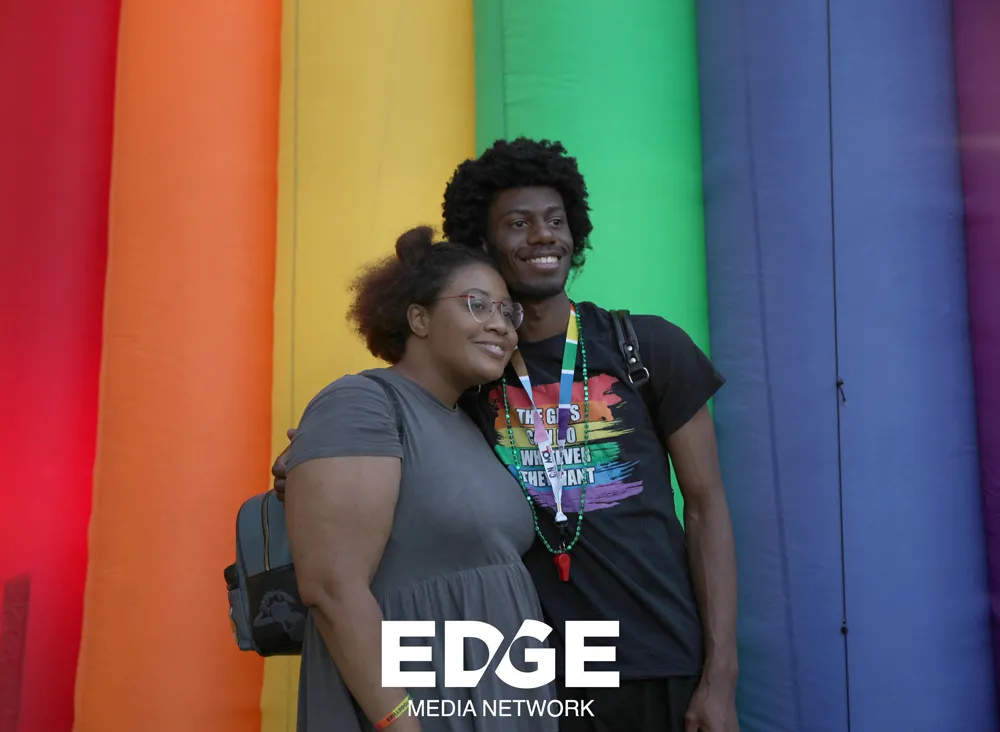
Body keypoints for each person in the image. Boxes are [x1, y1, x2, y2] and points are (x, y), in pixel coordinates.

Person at [277, 138, 740, 732]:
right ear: (484, 243)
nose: (543, 235)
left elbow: (706, 507)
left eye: (556, 220)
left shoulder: (646, 347)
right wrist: (314, 461)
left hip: (661, 661)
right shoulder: (471, 380)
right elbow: (392, 451)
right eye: (518, 223)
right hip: (534, 678)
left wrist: (720, 674)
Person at [282, 226, 557, 732]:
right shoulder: (362, 403)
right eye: (477, 305)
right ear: (419, 318)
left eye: (507, 312)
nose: (501, 326)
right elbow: (331, 587)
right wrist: (402, 723)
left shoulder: (471, 421)